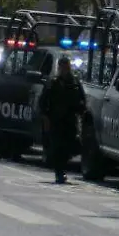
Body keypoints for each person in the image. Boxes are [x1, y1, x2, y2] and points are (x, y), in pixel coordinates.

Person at [40, 57, 85, 185]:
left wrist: (82, 113)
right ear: (59, 68)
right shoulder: (53, 82)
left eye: (67, 67)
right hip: (56, 120)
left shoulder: (75, 82)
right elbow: (43, 102)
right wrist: (45, 118)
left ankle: (62, 168)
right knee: (58, 147)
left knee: (71, 146)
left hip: (70, 120)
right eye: (62, 67)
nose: (65, 69)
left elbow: (81, 99)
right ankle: (59, 173)